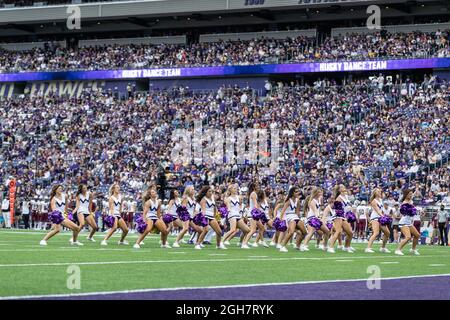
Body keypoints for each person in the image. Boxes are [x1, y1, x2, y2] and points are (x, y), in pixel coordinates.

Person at [195, 186, 227, 250]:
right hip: (205, 216)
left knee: (219, 232)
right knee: (206, 230)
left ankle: (218, 245)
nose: (211, 193)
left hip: (212, 216)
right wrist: (203, 219)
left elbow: (215, 209)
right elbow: (203, 210)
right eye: (209, 191)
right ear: (205, 192)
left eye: (211, 191)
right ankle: (197, 244)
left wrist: (218, 219)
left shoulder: (212, 198)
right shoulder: (203, 199)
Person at [327, 184, 355, 253]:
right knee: (338, 231)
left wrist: (350, 213)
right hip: (338, 216)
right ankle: (330, 247)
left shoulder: (346, 196)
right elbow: (338, 209)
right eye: (342, 187)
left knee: (350, 233)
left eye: (343, 186)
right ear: (339, 190)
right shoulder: (338, 198)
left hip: (343, 216)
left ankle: (346, 247)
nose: (344, 187)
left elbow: (347, 207)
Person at [278, 186, 306, 253]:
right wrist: (282, 221)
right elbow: (282, 211)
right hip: (289, 217)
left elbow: (297, 211)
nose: (297, 193)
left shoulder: (297, 200)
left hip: (295, 217)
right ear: (292, 193)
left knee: (304, 232)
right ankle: (282, 246)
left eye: (298, 191)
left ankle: (297, 246)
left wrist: (299, 218)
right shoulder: (288, 201)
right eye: (296, 192)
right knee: (291, 232)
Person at [395, 189, 420, 256]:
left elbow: (413, 212)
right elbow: (403, 212)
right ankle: (398, 250)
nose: (411, 195)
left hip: (409, 222)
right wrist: (410, 211)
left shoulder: (411, 201)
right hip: (404, 222)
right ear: (406, 195)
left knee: (417, 235)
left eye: (411, 194)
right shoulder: (404, 202)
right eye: (409, 194)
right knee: (408, 237)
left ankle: (413, 249)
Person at [365, 188, 391, 253]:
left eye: (380, 191)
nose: (379, 192)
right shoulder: (373, 201)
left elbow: (381, 210)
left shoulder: (381, 200)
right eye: (378, 192)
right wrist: (383, 216)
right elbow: (377, 210)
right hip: (375, 218)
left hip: (380, 218)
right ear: (375, 193)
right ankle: (368, 248)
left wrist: (384, 215)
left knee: (387, 233)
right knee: (376, 233)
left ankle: (383, 248)